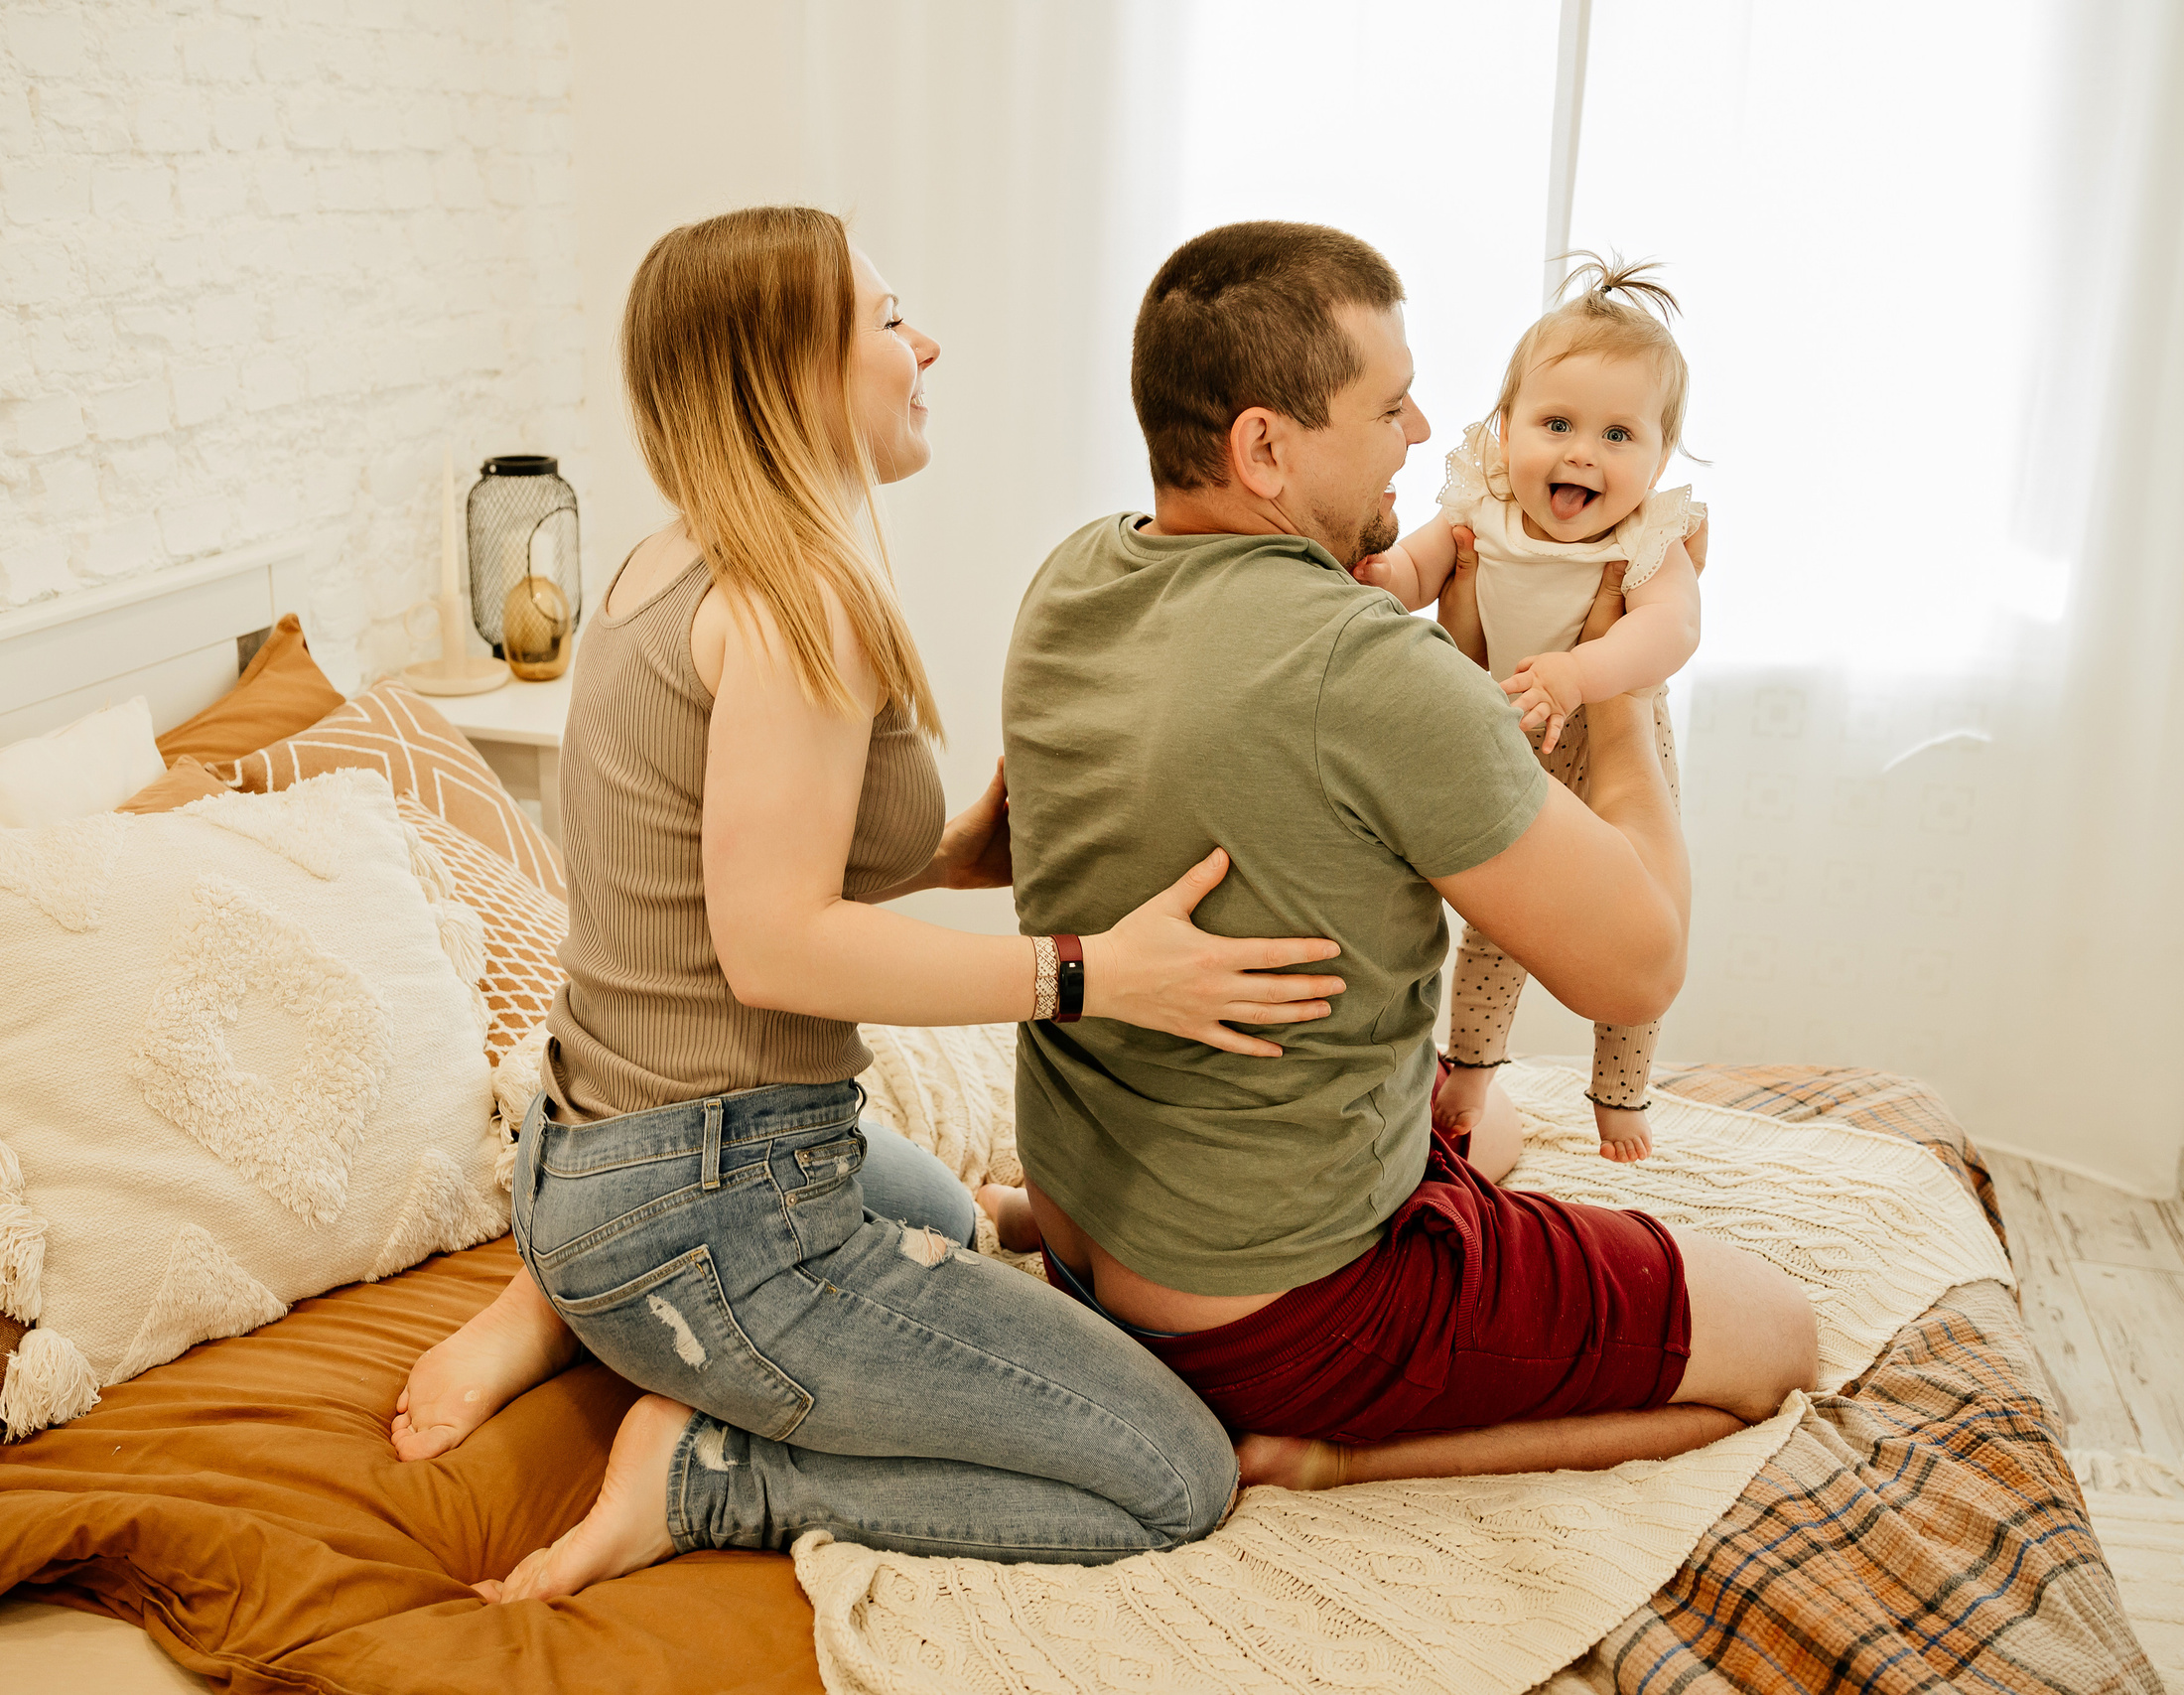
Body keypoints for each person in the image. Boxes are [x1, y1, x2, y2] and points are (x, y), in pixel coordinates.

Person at [389, 206, 1350, 1600]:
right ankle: (710, 1474)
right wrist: (1090, 972)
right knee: (1173, 1474)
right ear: (794, 371)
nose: (928, 345)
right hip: (709, 1206)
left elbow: (729, 856)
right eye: (892, 321)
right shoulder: (799, 603)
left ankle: (562, 1294)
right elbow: (776, 944)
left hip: (595, 1154)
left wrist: (958, 852)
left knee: (958, 1215)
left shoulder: (672, 561)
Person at [1000, 220, 1817, 1490]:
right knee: (1779, 1339)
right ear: (1264, 448)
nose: (1426, 431)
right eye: (1389, 406)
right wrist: (1614, 681)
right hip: (1274, 1321)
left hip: (1085, 1231)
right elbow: (1639, 967)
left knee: (1488, 1128)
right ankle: (1329, 1463)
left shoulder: (1078, 575)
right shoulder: (1369, 668)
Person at [1356, 253, 1706, 1161]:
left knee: (1641, 913)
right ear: (1504, 429)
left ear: (1659, 458)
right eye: (1557, 424)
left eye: (1619, 435)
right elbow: (1419, 568)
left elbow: (1670, 629)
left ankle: (1621, 1093)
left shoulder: (1645, 538)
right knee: (1502, 918)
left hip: (1608, 741)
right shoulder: (1483, 507)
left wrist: (1582, 674)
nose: (1583, 452)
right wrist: (1380, 578)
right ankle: (1474, 1067)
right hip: (1512, 731)